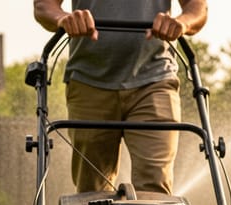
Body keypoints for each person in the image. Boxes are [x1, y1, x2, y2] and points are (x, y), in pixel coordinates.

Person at [33, 0, 208, 194]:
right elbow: (43, 6)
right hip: (89, 82)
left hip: (154, 80)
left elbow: (197, 6)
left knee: (155, 185)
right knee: (92, 190)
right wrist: (63, 19)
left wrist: (181, 23)